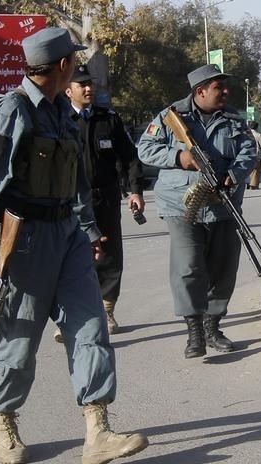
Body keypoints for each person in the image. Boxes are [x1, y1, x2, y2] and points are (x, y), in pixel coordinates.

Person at [0, 27, 148, 464]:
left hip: (67, 236)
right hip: (24, 239)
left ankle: (97, 431)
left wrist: (87, 232)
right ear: (63, 65)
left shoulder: (63, 113)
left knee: (90, 329)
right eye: (74, 63)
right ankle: (3, 423)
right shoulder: (9, 111)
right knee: (18, 338)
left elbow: (77, 181)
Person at [137, 64, 256, 359]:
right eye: (219, 87)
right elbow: (145, 149)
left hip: (222, 204)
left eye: (225, 86)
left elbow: (248, 151)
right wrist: (180, 157)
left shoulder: (233, 120)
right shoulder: (170, 117)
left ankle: (212, 325)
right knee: (188, 266)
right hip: (182, 205)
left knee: (224, 268)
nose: (225, 92)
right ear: (200, 91)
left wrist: (234, 174)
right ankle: (194, 331)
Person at [64, 65, 145, 336]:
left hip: (105, 197)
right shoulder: (59, 119)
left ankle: (107, 310)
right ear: (68, 90)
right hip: (69, 201)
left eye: (90, 84)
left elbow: (130, 157)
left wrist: (136, 191)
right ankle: (69, 317)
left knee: (109, 256)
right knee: (71, 256)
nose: (88, 89)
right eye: (81, 85)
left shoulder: (108, 119)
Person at [247, 120, 261, 189]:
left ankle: (252, 184)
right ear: (256, 127)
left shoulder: (247, 134)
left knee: (251, 170)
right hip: (257, 154)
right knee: (257, 170)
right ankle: (253, 185)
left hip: (248, 154)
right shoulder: (258, 135)